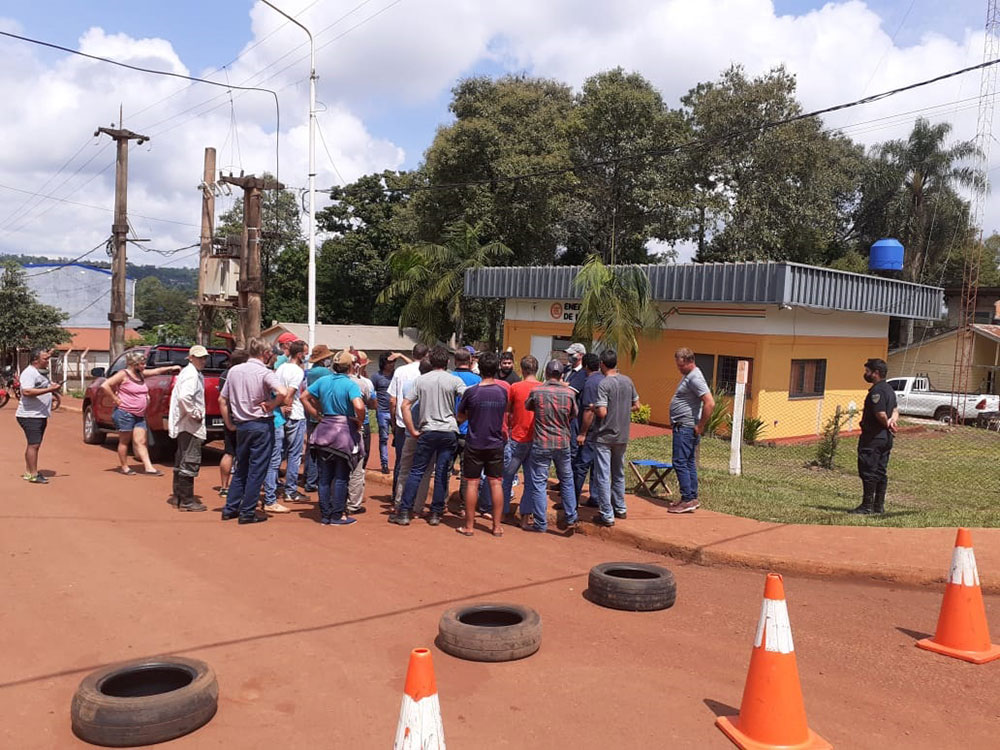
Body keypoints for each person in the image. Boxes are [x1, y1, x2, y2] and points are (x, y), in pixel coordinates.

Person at [390, 346, 467, 527]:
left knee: (416, 471)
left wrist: (413, 429)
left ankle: (405, 512)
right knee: (442, 472)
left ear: (431, 362)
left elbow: (405, 405)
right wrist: (461, 418)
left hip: (427, 430)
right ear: (447, 362)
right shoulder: (454, 380)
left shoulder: (421, 381)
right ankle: (435, 513)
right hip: (448, 431)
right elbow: (469, 397)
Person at [218, 337, 291, 524]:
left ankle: (230, 508)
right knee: (257, 470)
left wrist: (230, 424)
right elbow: (283, 392)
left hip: (242, 425)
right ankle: (247, 512)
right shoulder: (264, 372)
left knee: (241, 467)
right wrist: (272, 403)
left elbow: (222, 400)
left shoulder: (234, 371)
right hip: (260, 425)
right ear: (265, 354)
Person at [301, 350, 366, 526]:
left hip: (323, 431)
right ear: (351, 366)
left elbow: (303, 397)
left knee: (324, 476)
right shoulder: (351, 384)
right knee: (341, 476)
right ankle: (337, 515)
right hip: (343, 433)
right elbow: (359, 406)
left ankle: (325, 514)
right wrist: (359, 421)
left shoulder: (323, 380)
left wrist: (316, 414)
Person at [100, 349, 180, 476]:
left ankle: (149, 467)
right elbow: (105, 385)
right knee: (124, 441)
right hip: (125, 413)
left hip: (139, 415)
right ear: (134, 364)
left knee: (141, 441)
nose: (144, 366)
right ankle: (125, 467)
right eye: (142, 364)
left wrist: (172, 367)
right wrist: (115, 399)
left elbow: (157, 371)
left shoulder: (141, 374)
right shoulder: (123, 374)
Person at [455, 352, 509, 537]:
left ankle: (469, 526)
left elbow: (461, 416)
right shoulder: (502, 392)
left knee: (472, 483)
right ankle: (497, 526)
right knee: (495, 483)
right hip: (495, 442)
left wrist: (473, 414)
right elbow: (505, 412)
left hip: (475, 442)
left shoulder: (472, 392)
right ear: (496, 369)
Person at [524, 359, 580, 533]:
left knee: (539, 482)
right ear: (561, 375)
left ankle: (541, 523)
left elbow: (528, 406)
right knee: (567, 479)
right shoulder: (570, 393)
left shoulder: (537, 391)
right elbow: (574, 414)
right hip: (563, 442)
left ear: (547, 373)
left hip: (542, 442)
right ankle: (571, 517)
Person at [590, 349, 641, 526]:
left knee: (603, 475)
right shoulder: (628, 381)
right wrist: (621, 409)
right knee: (618, 472)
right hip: (623, 435)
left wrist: (593, 408)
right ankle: (620, 508)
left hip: (604, 436)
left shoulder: (604, 384)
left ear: (602, 364)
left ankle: (607, 514)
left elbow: (602, 412)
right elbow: (637, 406)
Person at [666, 347, 714, 515]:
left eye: (680, 365)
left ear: (688, 361)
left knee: (680, 462)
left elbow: (710, 403)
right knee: (688, 462)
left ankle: (687, 499)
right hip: (685, 427)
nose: (678, 368)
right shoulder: (690, 376)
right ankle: (691, 497)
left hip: (686, 427)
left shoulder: (695, 378)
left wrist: (700, 426)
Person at [262, 340, 308, 513]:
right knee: (294, 455)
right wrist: (284, 404)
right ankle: (290, 490)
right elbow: (289, 395)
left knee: (278, 454)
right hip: (294, 415)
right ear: (299, 354)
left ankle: (273, 488)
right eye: (305, 353)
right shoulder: (297, 371)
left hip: (281, 415)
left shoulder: (280, 368)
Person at [852, 357, 899, 516]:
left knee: (868, 470)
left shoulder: (877, 391)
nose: (865, 374)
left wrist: (887, 423)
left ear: (876, 373)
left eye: (867, 371)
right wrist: (892, 422)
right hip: (886, 438)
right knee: (880, 471)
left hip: (873, 438)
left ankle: (866, 506)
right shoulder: (889, 389)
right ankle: (878, 506)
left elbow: (880, 414)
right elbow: (895, 410)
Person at [168, 345, 210, 512]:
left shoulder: (191, 373)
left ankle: (179, 496)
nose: (203, 360)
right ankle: (186, 500)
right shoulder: (191, 374)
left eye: (204, 357)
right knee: (189, 459)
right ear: (191, 357)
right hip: (189, 424)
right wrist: (195, 413)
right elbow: (185, 397)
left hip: (185, 423)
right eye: (200, 357)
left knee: (182, 458)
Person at [502, 355, 540, 521]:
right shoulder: (543, 388)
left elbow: (508, 410)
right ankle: (525, 516)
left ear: (522, 370)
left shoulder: (515, 387)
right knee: (531, 479)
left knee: (507, 476)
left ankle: (502, 513)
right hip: (536, 439)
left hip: (517, 437)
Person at [16, 348, 61, 484]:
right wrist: (50, 389)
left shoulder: (39, 373)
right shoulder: (29, 373)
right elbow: (27, 391)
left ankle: (29, 472)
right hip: (30, 416)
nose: (47, 361)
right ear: (36, 360)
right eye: (45, 359)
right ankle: (34, 474)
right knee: (34, 445)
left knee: (33, 444)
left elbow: (39, 389)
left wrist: (50, 394)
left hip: (38, 415)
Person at [388, 343, 429, 496]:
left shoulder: (400, 371)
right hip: (422, 422)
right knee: (420, 462)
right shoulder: (427, 372)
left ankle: (397, 495)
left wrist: (393, 421)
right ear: (426, 356)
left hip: (402, 421)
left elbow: (392, 399)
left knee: (401, 461)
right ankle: (415, 496)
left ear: (413, 354)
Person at [346, 350, 376, 514]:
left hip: (335, 426)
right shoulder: (365, 383)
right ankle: (354, 499)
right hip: (359, 426)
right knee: (359, 464)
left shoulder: (329, 380)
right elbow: (372, 404)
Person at [450, 347, 482, 501]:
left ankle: (440, 504)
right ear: (470, 361)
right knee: (466, 471)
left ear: (455, 361)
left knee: (444, 468)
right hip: (469, 431)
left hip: (449, 429)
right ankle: (464, 505)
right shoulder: (478, 380)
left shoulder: (448, 377)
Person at [302, 344, 335, 492]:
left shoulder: (309, 372)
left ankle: (308, 477)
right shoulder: (325, 373)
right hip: (320, 413)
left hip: (309, 411)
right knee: (321, 449)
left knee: (310, 446)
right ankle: (313, 480)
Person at [217, 349, 249, 497]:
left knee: (229, 452)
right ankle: (239, 487)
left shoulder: (225, 374)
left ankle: (225, 487)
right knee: (240, 454)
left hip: (231, 417)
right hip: (241, 418)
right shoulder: (240, 375)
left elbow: (222, 400)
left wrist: (227, 421)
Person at [574, 353, 604, 507]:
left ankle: (572, 500)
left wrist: (582, 433)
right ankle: (595, 496)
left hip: (591, 431)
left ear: (585, 366)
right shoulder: (604, 379)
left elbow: (589, 411)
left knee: (581, 465)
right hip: (603, 431)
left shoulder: (590, 383)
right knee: (596, 466)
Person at [372, 352, 395, 474]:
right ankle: (384, 463)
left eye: (393, 362)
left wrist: (401, 355)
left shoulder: (397, 375)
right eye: (389, 362)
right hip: (382, 411)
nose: (392, 364)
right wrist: (376, 408)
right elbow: (371, 393)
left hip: (395, 411)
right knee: (383, 438)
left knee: (399, 437)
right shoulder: (376, 377)